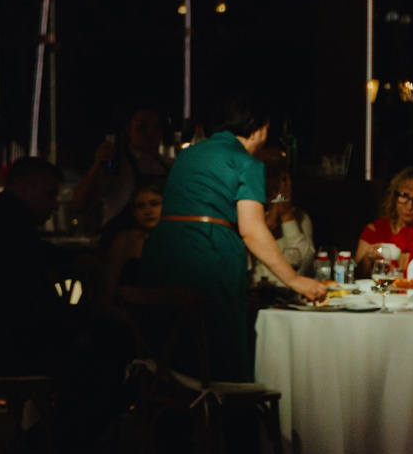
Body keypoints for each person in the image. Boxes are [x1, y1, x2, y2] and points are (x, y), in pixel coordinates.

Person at [137, 100, 330, 381]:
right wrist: (295, 280)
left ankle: (172, 412)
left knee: (171, 350)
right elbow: (252, 229)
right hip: (209, 252)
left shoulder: (190, 154)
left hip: (161, 252)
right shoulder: (245, 162)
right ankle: (227, 416)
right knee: (219, 354)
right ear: (258, 129)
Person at [0, 159, 129, 454]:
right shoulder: (11, 229)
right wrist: (73, 335)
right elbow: (33, 300)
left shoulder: (1, 222)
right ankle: (46, 453)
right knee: (115, 376)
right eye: (49, 194)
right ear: (21, 188)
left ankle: (41, 447)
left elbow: (33, 265)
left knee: (100, 367)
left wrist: (68, 262)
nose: (54, 205)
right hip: (14, 350)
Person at [71, 107, 170, 230]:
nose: (151, 132)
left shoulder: (167, 164)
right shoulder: (115, 164)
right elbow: (78, 205)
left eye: (157, 126)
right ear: (129, 131)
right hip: (120, 237)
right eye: (142, 127)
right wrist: (97, 165)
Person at [252, 168, 318, 291]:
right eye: (271, 174)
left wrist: (287, 217)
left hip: (289, 294)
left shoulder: (300, 216)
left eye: (282, 177)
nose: (277, 182)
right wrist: (268, 223)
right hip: (254, 293)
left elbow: (304, 265)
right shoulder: (247, 217)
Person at [358, 167, 413, 264]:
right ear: (394, 197)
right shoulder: (375, 230)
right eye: (404, 195)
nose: (409, 206)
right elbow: (357, 273)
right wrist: (368, 257)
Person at [99, 184, 162, 291]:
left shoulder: (176, 240)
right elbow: (107, 288)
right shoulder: (126, 240)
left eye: (154, 204)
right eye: (140, 206)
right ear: (134, 212)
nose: (148, 211)